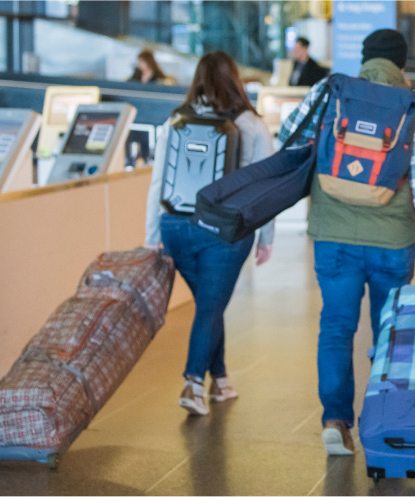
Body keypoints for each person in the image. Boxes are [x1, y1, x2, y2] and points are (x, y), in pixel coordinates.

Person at [276, 28, 415, 456]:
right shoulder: (412, 105)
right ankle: (381, 420)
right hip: (392, 239)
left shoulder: (331, 90)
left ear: (364, 58)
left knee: (336, 327)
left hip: (333, 234)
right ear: (402, 64)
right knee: (389, 333)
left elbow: (288, 134)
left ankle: (336, 420)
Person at [144, 51, 276, 416]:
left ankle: (220, 379)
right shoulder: (250, 123)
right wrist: (266, 237)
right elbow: (264, 187)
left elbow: (158, 182)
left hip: (175, 227)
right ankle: (192, 382)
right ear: (234, 79)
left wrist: (151, 234)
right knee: (210, 306)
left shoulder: (176, 120)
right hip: (224, 231)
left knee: (208, 304)